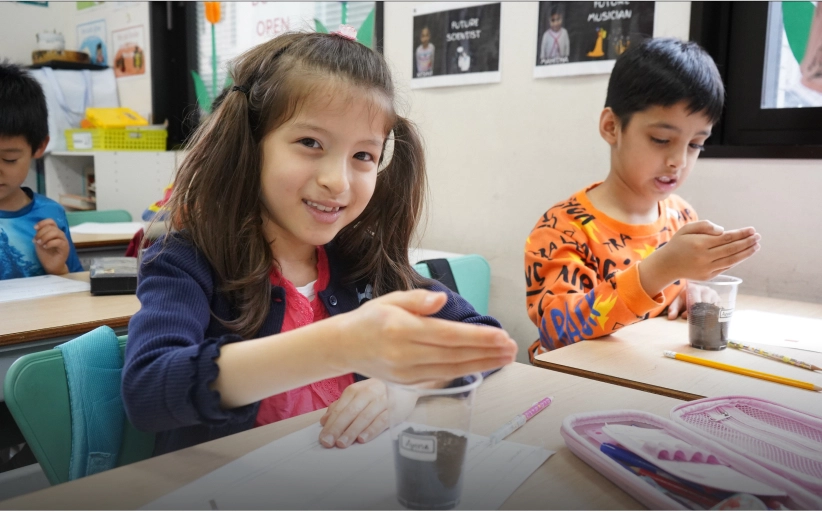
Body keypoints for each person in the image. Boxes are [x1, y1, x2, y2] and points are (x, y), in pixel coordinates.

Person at [123, 31, 517, 456]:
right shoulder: (186, 260)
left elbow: (485, 343)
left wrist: (399, 386)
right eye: (310, 143)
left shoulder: (364, 262)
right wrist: (337, 345)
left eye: (363, 156)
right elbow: (149, 390)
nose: (338, 180)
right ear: (251, 145)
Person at [524, 38, 761, 356]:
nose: (679, 160)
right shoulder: (562, 227)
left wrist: (692, 299)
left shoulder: (681, 216)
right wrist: (660, 270)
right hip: (576, 385)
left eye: (695, 145)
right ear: (611, 127)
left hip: (650, 377)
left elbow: (668, 305)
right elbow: (559, 331)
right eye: (661, 139)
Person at [0, 62, 82, 281]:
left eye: (9, 159)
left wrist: (58, 270)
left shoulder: (50, 215)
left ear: (39, 147)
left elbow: (76, 291)